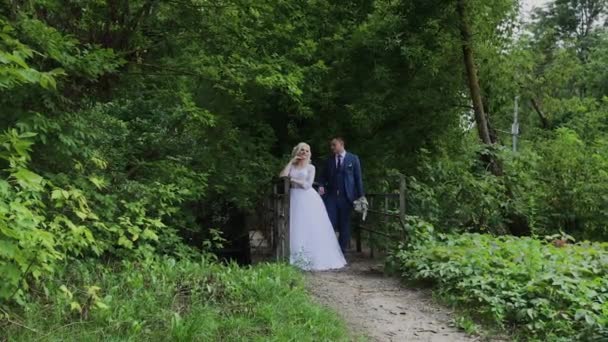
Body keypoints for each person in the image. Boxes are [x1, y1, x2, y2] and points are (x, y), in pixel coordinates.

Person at [279, 142, 346, 271]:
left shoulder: (311, 167)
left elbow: (307, 185)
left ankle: (311, 257)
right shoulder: (292, 166)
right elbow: (282, 176)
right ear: (297, 152)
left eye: (307, 151)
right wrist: (291, 161)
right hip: (293, 197)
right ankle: (293, 256)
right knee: (295, 225)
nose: (304, 152)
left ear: (309, 154)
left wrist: (292, 180)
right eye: (302, 150)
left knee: (310, 226)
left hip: (308, 198)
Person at [318, 137, 364, 253]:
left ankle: (341, 251)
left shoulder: (353, 159)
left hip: (347, 197)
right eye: (331, 145)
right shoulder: (329, 160)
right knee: (330, 222)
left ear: (341, 144)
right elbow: (322, 176)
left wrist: (361, 196)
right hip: (331, 197)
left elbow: (358, 179)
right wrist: (321, 185)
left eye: (334, 145)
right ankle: (329, 249)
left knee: (344, 224)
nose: (332, 147)